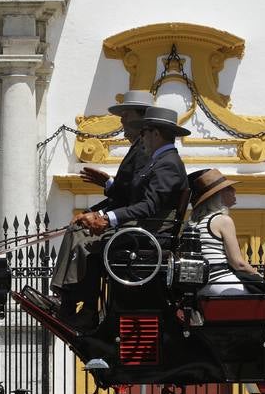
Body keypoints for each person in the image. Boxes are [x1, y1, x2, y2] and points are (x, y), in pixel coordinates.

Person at [66, 105, 189, 330]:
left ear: (156, 134)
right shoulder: (160, 161)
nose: (142, 137)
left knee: (88, 245)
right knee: (83, 235)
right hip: (142, 228)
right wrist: (103, 211)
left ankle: (83, 308)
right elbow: (135, 195)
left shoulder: (168, 164)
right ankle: (76, 303)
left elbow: (149, 206)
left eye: (145, 132)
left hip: (149, 234)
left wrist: (108, 218)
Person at [51, 90, 154, 323]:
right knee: (77, 227)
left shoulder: (144, 151)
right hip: (125, 215)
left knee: (82, 239)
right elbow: (125, 192)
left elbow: (133, 198)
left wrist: (102, 213)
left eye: (125, 115)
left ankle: (78, 303)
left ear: (140, 119)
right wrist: (94, 209)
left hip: (133, 224)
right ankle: (66, 297)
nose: (121, 121)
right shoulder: (138, 149)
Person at [187, 168, 265, 325]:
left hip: (203, 287)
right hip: (222, 284)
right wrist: (261, 277)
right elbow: (238, 263)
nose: (234, 190)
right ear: (219, 195)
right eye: (228, 188)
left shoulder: (193, 223)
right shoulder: (222, 220)